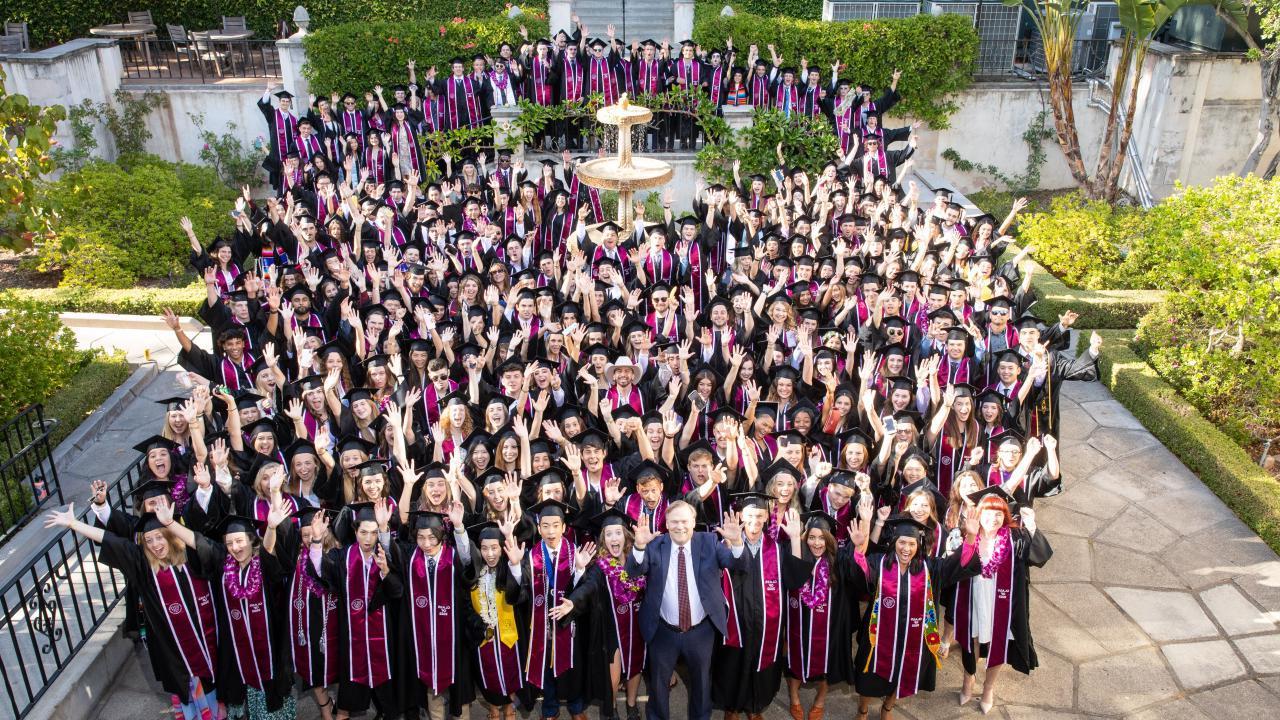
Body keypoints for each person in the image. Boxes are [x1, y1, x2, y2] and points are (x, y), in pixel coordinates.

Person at [625, 500, 747, 720]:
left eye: (684, 521)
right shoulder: (655, 545)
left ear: (693, 522)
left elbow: (737, 564)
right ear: (666, 524)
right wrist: (639, 546)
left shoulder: (710, 542)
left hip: (700, 632)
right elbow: (634, 571)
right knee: (658, 686)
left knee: (701, 685)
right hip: (663, 631)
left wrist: (737, 541)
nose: (679, 526)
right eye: (674, 522)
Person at [952, 486, 1052, 714]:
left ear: (1005, 515)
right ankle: (969, 679)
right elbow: (955, 566)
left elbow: (1039, 557)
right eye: (988, 512)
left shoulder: (1014, 537)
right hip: (973, 597)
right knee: (973, 639)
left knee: (1000, 642)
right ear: (979, 513)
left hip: (1003, 602)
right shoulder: (968, 533)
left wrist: (1032, 526)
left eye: (999, 513)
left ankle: (988, 687)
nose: (993, 518)